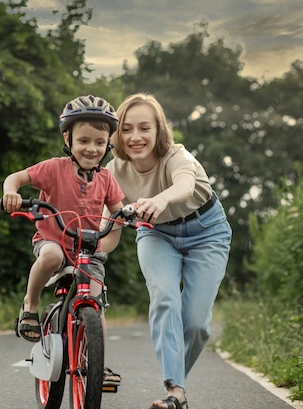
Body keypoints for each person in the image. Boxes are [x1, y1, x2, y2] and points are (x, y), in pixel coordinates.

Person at [101, 93, 232, 409]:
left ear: (159, 130)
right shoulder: (113, 171)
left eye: (144, 128)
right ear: (118, 133)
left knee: (197, 324)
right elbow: (111, 227)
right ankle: (175, 393)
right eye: (127, 129)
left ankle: (177, 386)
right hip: (155, 234)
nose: (135, 137)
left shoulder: (178, 156)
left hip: (207, 232)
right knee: (164, 298)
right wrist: (89, 253)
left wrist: (159, 200)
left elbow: (185, 186)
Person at [1, 95, 125, 387]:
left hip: (87, 251)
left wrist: (132, 215)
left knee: (95, 301)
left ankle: (99, 365)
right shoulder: (54, 168)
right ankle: (30, 305)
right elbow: (15, 178)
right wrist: (11, 193)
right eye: (83, 141)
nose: (91, 148)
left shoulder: (106, 179)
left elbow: (120, 209)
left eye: (98, 141)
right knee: (52, 256)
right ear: (68, 139)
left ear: (108, 144)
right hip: (52, 240)